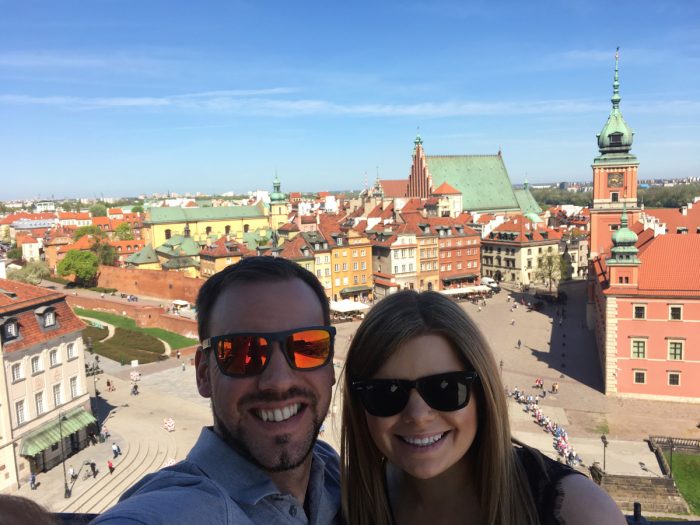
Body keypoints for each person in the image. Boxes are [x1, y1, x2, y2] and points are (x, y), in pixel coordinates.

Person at [341, 290, 626, 525]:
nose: (418, 416)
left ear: (483, 392)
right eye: (387, 393)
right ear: (359, 405)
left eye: (446, 389)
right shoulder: (351, 504)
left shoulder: (578, 512)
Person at [93, 256, 341, 524]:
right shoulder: (184, 508)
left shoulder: (333, 475)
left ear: (330, 367)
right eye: (243, 352)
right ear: (203, 374)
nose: (279, 382)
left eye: (307, 347)